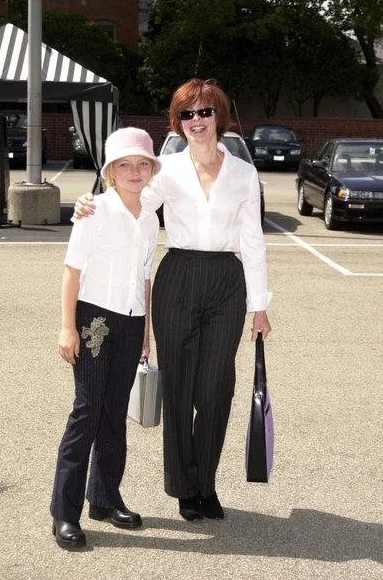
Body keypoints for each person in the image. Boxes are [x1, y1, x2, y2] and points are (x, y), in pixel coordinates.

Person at [74, 78, 272, 523]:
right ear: (177, 122)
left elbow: (253, 239)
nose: (196, 121)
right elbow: (131, 200)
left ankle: (207, 483)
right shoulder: (165, 168)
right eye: (187, 114)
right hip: (178, 277)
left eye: (204, 112)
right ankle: (185, 489)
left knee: (216, 389)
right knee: (180, 388)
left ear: (219, 116)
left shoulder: (244, 173)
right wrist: (90, 203)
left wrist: (259, 304)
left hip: (227, 280)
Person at [50, 127, 161, 549]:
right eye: (124, 164)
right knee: (88, 412)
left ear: (151, 170)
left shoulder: (150, 217)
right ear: (111, 172)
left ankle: (104, 496)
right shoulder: (94, 210)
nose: (134, 171)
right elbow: (72, 270)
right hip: (94, 321)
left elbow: (145, 278)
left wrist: (146, 331)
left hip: (132, 324)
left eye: (142, 163)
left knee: (116, 412)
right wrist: (66, 326)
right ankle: (65, 511)